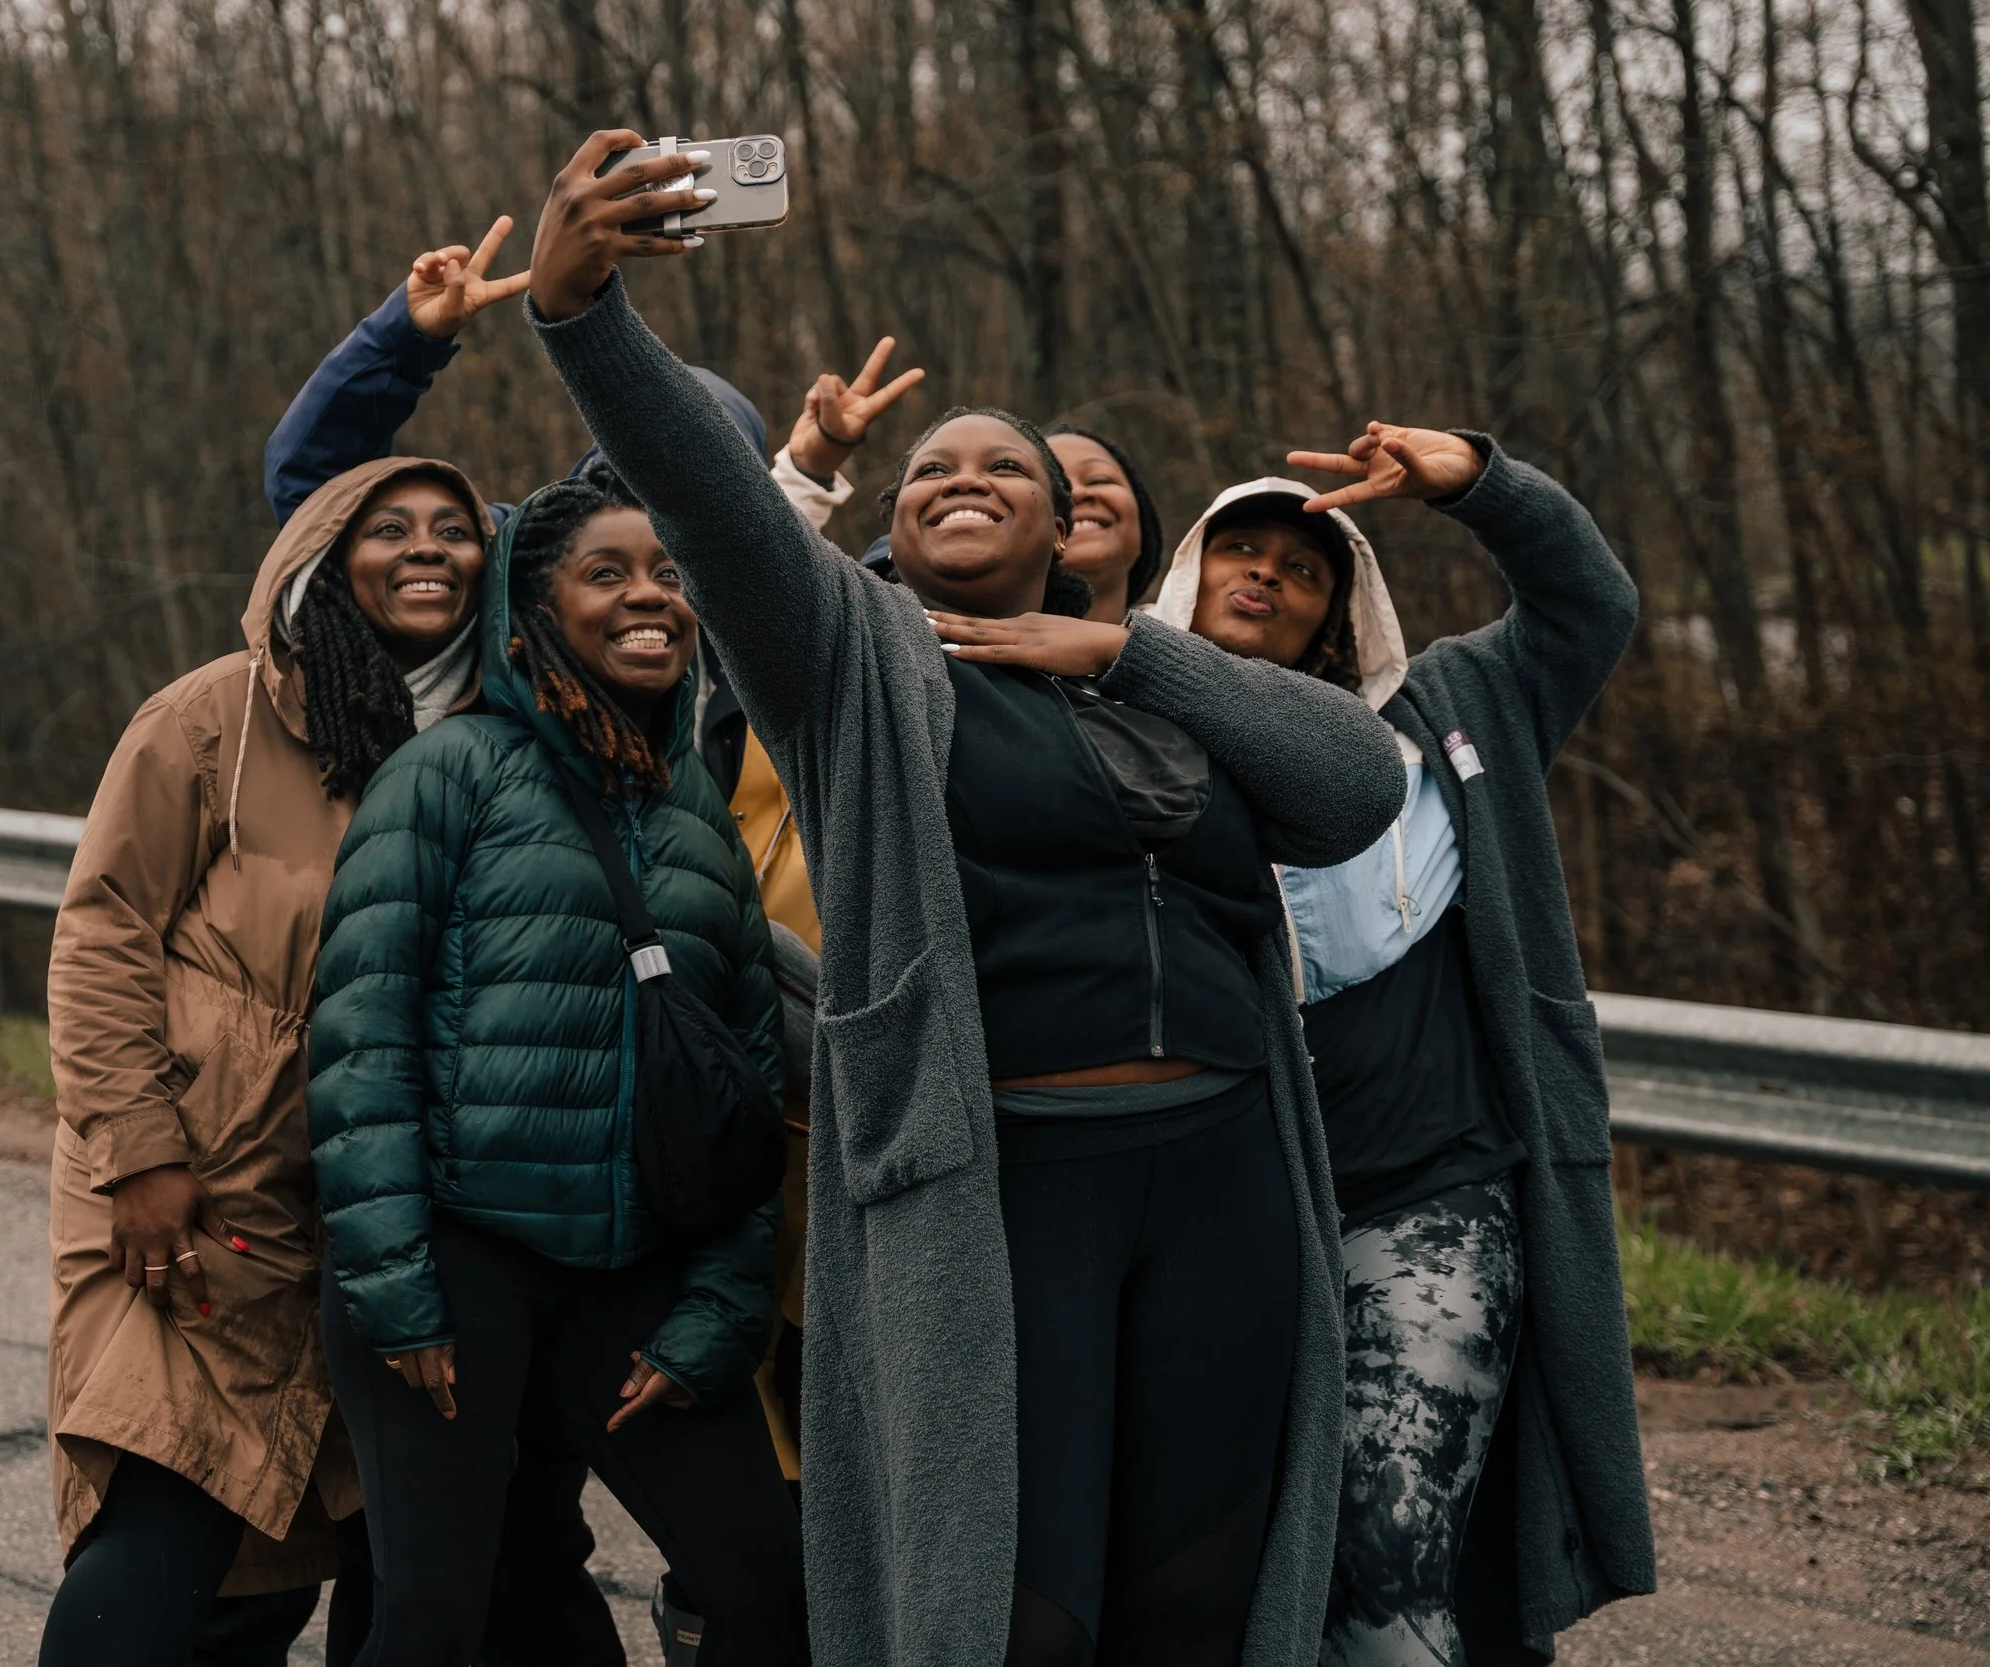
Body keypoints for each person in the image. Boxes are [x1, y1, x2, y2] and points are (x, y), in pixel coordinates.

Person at [520, 130, 1408, 1667]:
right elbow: (718, 509)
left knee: (1193, 1593)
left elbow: (1355, 787)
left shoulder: (1166, 681)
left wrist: (1126, 650)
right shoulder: (856, 660)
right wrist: (583, 312)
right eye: (935, 468)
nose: (965, 479)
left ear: (1072, 532)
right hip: (1008, 1185)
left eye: (1009, 466)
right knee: (1016, 1606)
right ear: (899, 519)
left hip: (1223, 1174)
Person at [1137, 424, 1656, 1663]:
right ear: (1188, 575)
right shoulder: (1108, 730)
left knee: (1392, 1550)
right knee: (1233, 1567)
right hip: (1224, 1214)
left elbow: (1591, 604)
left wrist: (1479, 484)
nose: (1265, 573)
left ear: (1341, 608)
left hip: (1429, 1194)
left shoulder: (1452, 704)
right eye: (1238, 550)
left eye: (1303, 568)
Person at [305, 465, 807, 1667]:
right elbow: (360, 1035)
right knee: (435, 1619)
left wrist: (717, 1314)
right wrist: (399, 1288)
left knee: (771, 1589)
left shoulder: (694, 805)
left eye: (668, 573)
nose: (651, 596)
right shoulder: (447, 772)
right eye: (608, 572)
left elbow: (741, 1078)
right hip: (455, 1261)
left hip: (632, 1275)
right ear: (534, 607)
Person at [41, 448, 503, 1667]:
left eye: (451, 530)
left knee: (291, 1550)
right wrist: (137, 1151)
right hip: (193, 1186)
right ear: (326, 557)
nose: (422, 548)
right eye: (386, 526)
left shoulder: (498, 734)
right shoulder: (218, 716)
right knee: (169, 1503)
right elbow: (101, 930)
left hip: (384, 1210)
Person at [1042, 427, 1164, 624]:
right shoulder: (977, 649)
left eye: (1099, 479)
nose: (1077, 493)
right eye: (1055, 487)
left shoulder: (1208, 647)